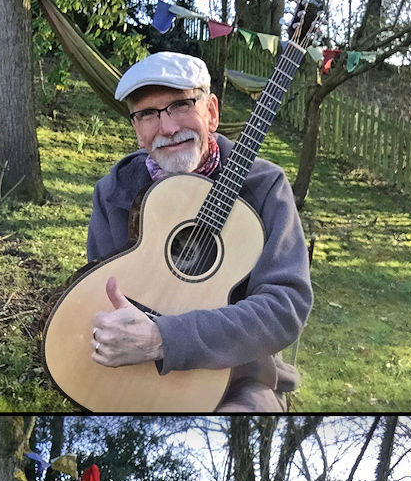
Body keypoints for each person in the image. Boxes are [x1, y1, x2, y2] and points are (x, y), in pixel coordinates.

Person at [86, 52, 314, 412]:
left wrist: (165, 339)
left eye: (180, 105)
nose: (168, 128)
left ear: (211, 111)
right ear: (136, 127)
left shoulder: (265, 185)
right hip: (133, 372)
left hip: (239, 376)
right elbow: (98, 299)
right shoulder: (116, 191)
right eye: (147, 114)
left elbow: (284, 309)